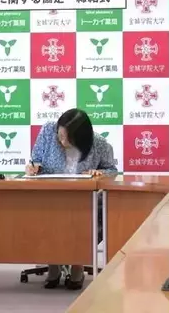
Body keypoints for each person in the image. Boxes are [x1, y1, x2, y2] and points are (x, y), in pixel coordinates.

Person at [26, 108, 117, 290]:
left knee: (85, 218)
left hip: (82, 200)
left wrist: (99, 173)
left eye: (68, 139)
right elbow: (35, 160)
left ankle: (78, 264)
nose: (62, 141)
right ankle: (53, 264)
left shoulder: (99, 143)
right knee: (45, 214)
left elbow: (111, 171)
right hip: (50, 195)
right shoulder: (48, 131)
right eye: (60, 136)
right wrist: (33, 167)